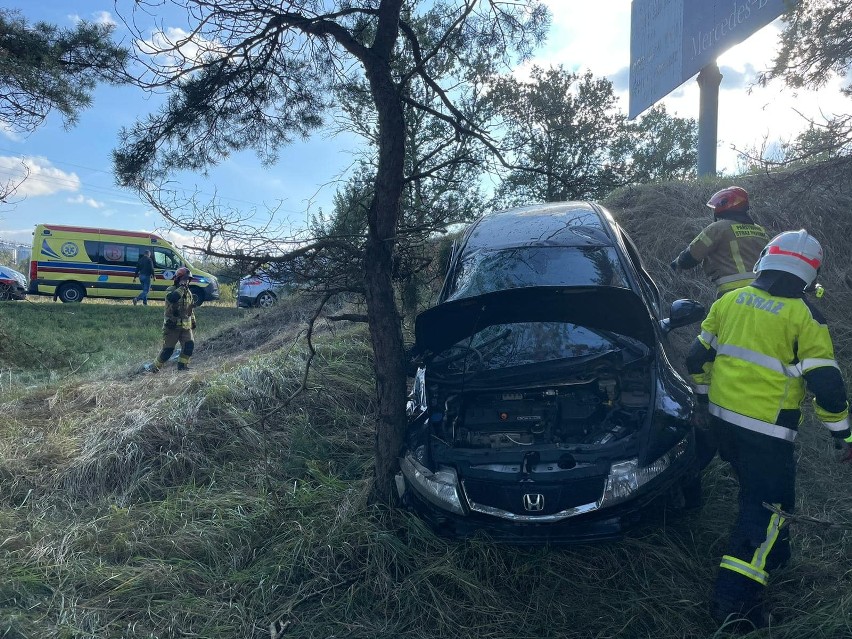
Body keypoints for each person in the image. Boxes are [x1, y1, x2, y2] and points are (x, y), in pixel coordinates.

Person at [685, 230, 850, 630]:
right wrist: (843, 436)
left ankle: (775, 557)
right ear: (810, 275)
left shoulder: (728, 301)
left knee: (754, 494)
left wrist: (707, 401)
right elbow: (827, 385)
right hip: (767, 434)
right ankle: (735, 606)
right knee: (767, 513)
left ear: (764, 260)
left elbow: (695, 357)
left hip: (724, 423)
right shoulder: (805, 317)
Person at [671, 186, 770, 297]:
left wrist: (677, 263)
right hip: (762, 289)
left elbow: (693, 255)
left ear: (723, 204)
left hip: (732, 291)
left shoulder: (718, 228)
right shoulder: (760, 230)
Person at [149, 266, 197, 372]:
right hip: (172, 327)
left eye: (188, 280)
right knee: (168, 351)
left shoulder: (188, 292)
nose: (186, 282)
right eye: (184, 279)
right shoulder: (170, 290)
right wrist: (181, 288)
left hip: (186, 328)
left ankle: (182, 367)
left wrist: (193, 321)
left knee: (189, 346)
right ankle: (154, 368)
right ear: (178, 279)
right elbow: (173, 299)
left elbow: (190, 308)